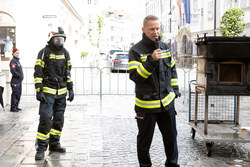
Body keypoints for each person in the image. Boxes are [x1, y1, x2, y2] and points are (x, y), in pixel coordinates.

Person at [128, 15, 181, 167]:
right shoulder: (136, 50)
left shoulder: (164, 46)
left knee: (171, 139)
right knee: (144, 142)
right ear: (143, 30)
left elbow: (172, 70)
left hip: (167, 105)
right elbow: (136, 77)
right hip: (146, 107)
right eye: (152, 29)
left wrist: (174, 90)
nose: (155, 32)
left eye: (157, 28)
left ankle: (172, 164)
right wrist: (151, 60)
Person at [33, 27, 74, 160]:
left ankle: (55, 144)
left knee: (58, 120)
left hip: (61, 94)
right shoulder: (44, 52)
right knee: (45, 120)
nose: (60, 41)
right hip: (47, 93)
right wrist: (39, 90)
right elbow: (38, 72)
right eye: (57, 39)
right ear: (51, 39)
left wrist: (71, 88)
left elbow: (68, 72)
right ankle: (40, 148)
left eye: (61, 39)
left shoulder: (66, 53)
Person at [9, 48, 23, 112]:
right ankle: (13, 107)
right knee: (15, 94)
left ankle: (16, 106)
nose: (18, 54)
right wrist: (19, 75)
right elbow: (13, 71)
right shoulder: (13, 61)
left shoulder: (17, 61)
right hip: (15, 81)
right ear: (13, 53)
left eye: (18, 53)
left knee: (18, 93)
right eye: (16, 53)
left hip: (19, 81)